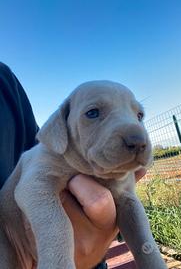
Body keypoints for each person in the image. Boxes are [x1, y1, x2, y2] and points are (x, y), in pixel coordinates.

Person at [0, 62, 146, 268]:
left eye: (139, 116)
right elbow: (31, 185)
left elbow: (38, 153)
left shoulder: (4, 82)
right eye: (93, 113)